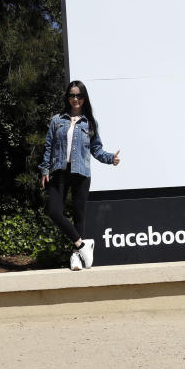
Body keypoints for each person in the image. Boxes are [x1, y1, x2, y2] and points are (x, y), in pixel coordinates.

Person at [39, 80, 120, 271]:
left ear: (84, 98)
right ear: (67, 97)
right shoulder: (57, 120)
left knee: (79, 216)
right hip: (58, 172)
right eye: (72, 95)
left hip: (81, 173)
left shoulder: (89, 122)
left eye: (79, 95)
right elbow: (48, 147)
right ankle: (83, 245)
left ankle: (76, 257)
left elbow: (96, 149)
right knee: (54, 211)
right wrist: (44, 169)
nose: (75, 99)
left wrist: (110, 159)